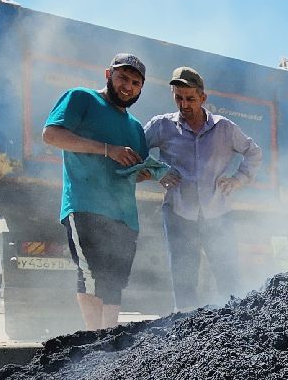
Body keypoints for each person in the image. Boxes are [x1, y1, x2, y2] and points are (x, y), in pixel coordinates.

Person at [41, 52, 151, 331]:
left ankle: (109, 338)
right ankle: (93, 340)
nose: (128, 86)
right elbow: (51, 135)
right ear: (108, 74)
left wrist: (146, 174)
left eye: (135, 82)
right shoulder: (82, 98)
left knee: (115, 279)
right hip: (86, 204)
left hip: (125, 214)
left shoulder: (135, 126)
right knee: (92, 273)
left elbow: (132, 172)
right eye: (123, 78)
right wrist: (107, 149)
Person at [144, 66, 263, 310]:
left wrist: (237, 179)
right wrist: (158, 171)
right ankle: (186, 333)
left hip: (218, 213)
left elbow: (254, 152)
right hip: (178, 212)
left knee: (228, 275)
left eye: (190, 98)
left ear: (203, 98)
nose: (184, 104)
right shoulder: (161, 126)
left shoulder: (224, 128)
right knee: (184, 276)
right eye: (178, 98)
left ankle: (233, 327)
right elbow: (135, 149)